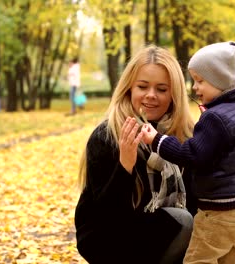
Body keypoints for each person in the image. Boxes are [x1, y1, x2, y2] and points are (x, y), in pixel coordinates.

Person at [74, 45, 197, 264]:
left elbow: (195, 201)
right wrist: (125, 165)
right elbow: (107, 216)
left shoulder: (184, 137)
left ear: (174, 94)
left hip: (156, 232)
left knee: (189, 223)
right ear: (130, 87)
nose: (151, 95)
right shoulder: (107, 135)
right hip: (107, 235)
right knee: (182, 221)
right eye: (142, 86)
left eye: (161, 89)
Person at [142, 40, 235, 264]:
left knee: (199, 259)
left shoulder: (215, 117)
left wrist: (157, 140)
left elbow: (192, 155)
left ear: (220, 81)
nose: (194, 88)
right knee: (229, 259)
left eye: (200, 81)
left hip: (219, 211)